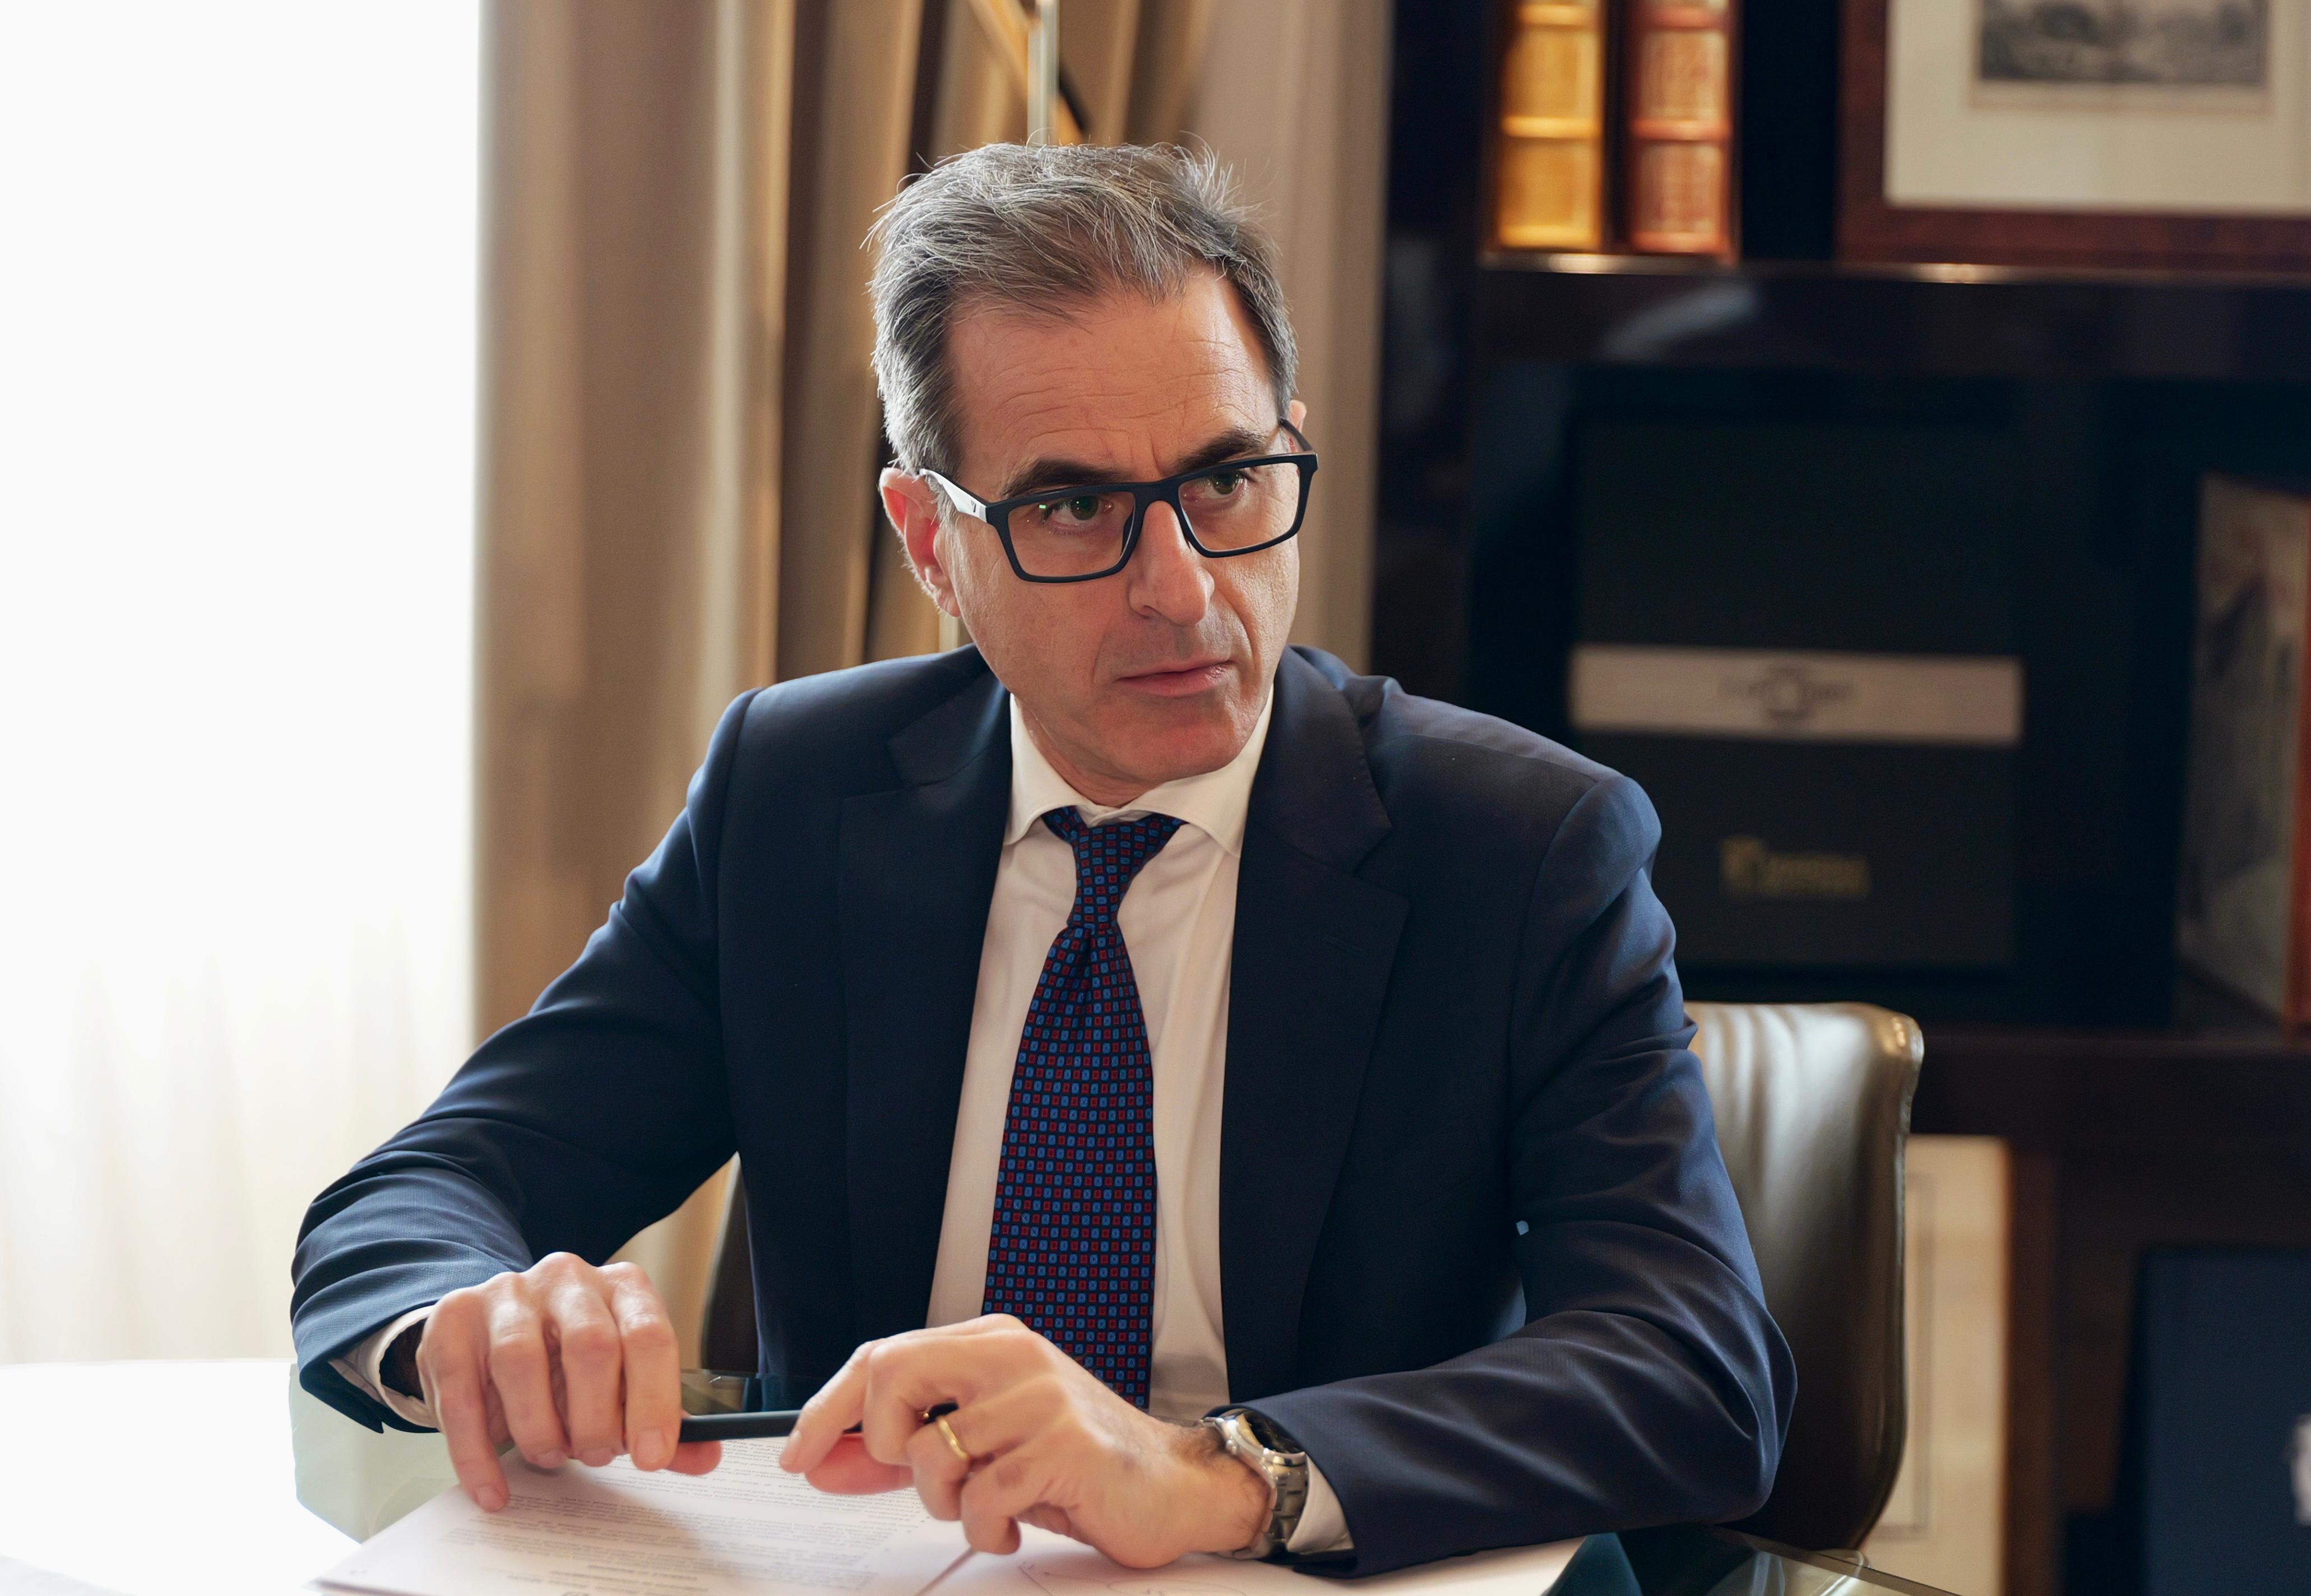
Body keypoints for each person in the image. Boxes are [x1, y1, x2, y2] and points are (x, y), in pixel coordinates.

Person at [292, 142, 1794, 1577]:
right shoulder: (797, 797)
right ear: (927, 540)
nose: (1182, 591)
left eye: (1227, 480)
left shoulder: (1516, 849)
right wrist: (471, 1323)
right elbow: (432, 1188)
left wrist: (1209, 1475)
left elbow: (1693, 1367)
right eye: (1074, 507)